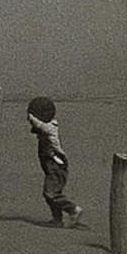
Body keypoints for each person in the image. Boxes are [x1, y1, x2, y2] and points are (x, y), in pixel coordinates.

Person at [26, 96, 83, 228]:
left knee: (50, 193)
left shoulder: (51, 127)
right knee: (52, 194)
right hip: (50, 165)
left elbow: (41, 126)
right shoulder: (44, 126)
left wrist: (32, 116)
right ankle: (57, 220)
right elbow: (36, 128)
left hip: (56, 164)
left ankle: (73, 210)